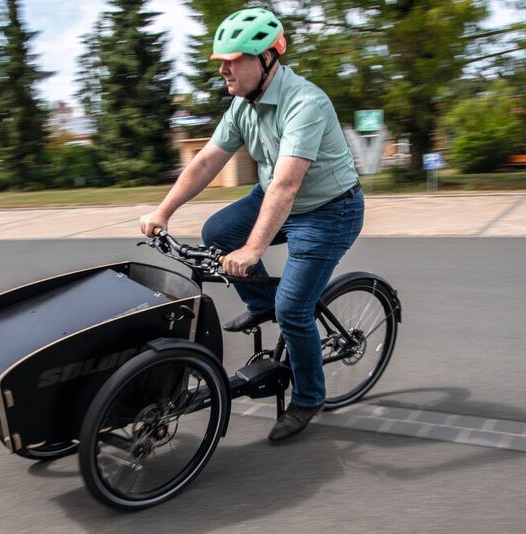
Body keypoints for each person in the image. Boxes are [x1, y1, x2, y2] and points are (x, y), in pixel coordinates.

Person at [140, 7, 363, 441]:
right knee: (218, 233)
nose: (222, 68)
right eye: (219, 59)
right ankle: (263, 306)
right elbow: (206, 161)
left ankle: (309, 396)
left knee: (294, 309)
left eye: (232, 58)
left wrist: (253, 250)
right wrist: (163, 212)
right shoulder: (244, 105)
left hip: (328, 211)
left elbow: (287, 183)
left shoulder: (306, 103)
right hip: (276, 197)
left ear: (265, 59)